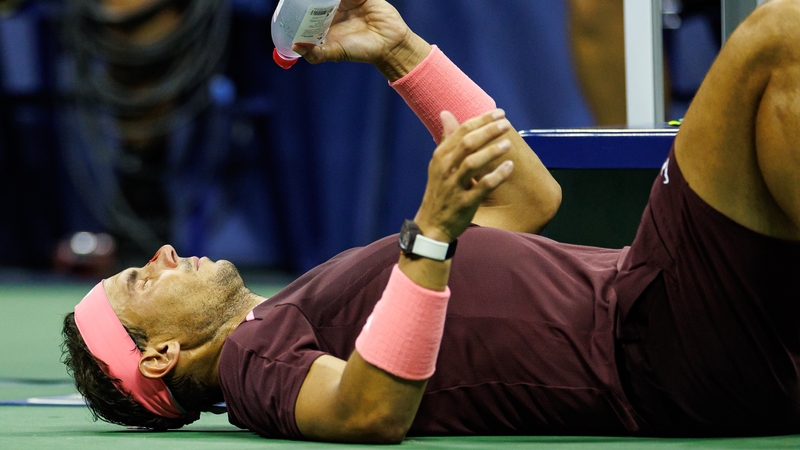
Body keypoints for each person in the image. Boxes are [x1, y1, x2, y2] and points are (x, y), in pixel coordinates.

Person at [61, 0, 800, 443]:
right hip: (656, 339)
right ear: (158, 355)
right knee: (772, 37)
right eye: (140, 279)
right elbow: (366, 412)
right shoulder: (252, 365)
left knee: (782, 109)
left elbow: (525, 198)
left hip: (674, 320)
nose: (160, 252)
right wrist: (434, 229)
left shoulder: (296, 309)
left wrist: (399, 51)